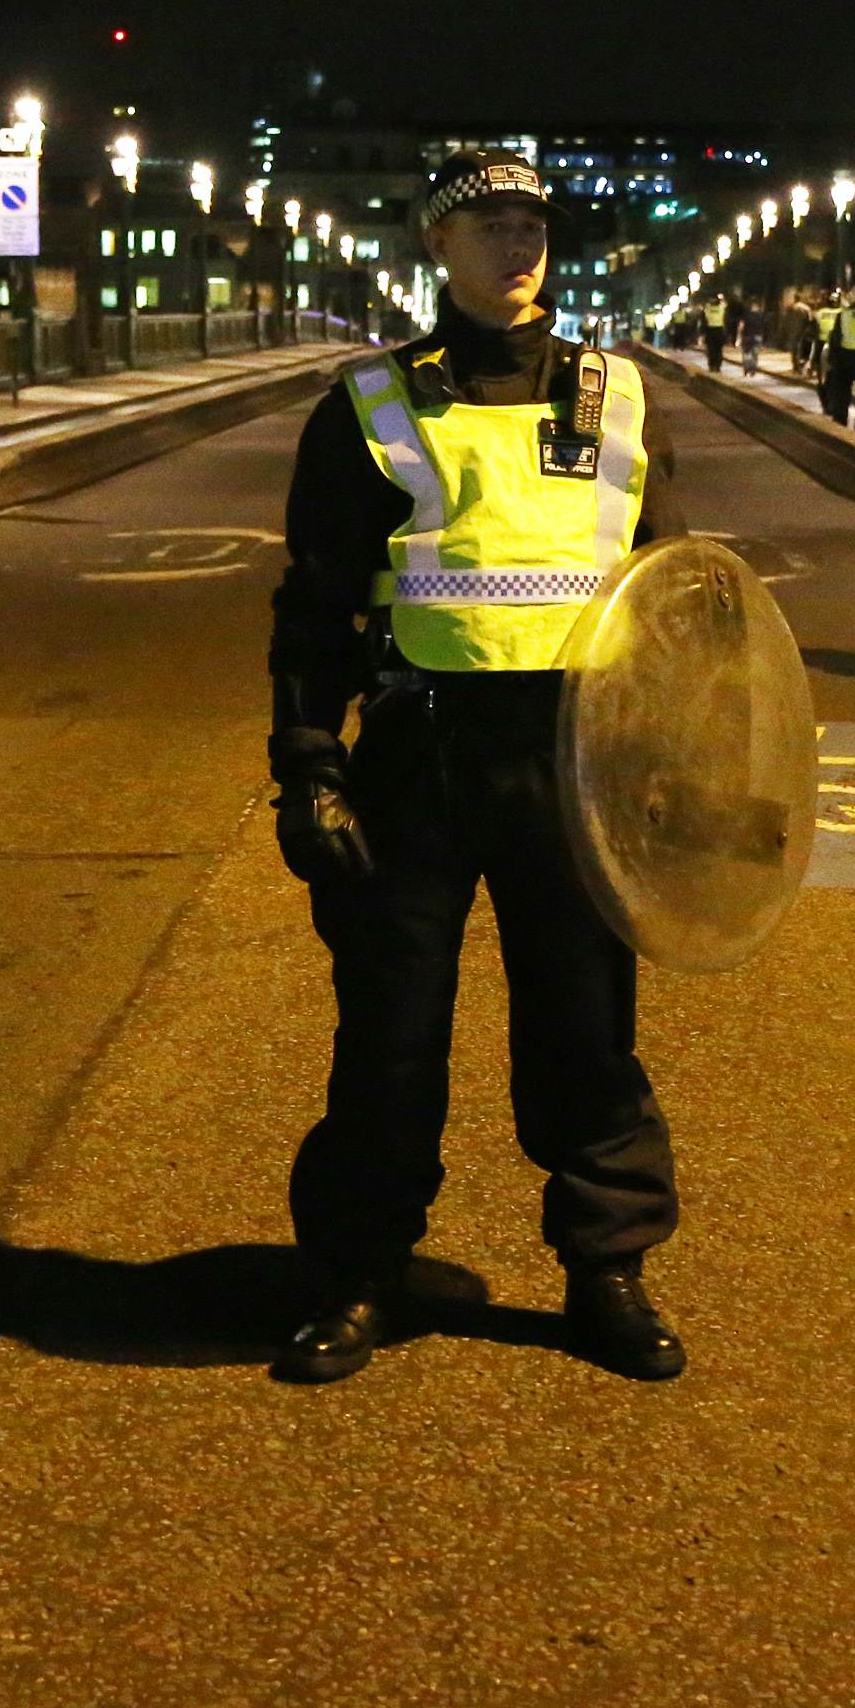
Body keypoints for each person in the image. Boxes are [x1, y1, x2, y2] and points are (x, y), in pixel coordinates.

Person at [264, 148, 689, 1386]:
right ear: (435, 247)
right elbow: (316, 605)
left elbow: (671, 603)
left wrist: (672, 758)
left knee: (585, 1030)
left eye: (532, 223)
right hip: (419, 752)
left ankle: (606, 1269)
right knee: (388, 1033)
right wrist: (308, 763)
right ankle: (358, 1271)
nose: (517, 243)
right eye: (488, 223)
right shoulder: (369, 403)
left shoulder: (617, 396)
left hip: (572, 759)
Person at [819, 284, 855, 426]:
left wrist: (832, 359)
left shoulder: (843, 316)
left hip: (845, 359)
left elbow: (835, 338)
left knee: (841, 395)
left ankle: (840, 422)